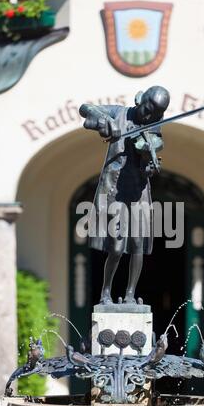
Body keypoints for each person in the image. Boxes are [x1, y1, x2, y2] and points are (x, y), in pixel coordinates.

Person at [79, 86, 170, 304]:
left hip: (138, 192)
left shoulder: (153, 126)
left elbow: (148, 157)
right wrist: (106, 122)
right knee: (117, 247)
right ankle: (106, 293)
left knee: (138, 244)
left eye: (155, 114)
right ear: (140, 100)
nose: (149, 117)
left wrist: (149, 166)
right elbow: (85, 108)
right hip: (115, 190)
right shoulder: (119, 113)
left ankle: (130, 295)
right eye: (148, 110)